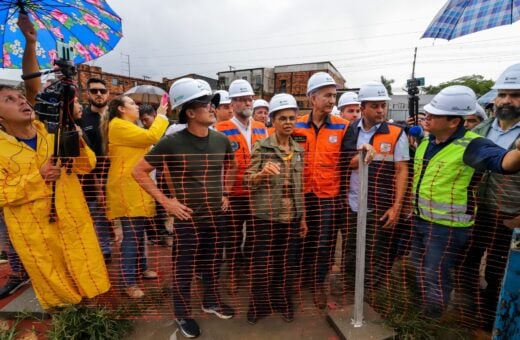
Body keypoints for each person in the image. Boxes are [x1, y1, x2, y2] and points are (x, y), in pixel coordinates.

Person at [132, 78, 237, 338]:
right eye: (207, 104)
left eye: (213, 104)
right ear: (190, 112)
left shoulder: (221, 140)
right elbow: (139, 171)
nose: (213, 108)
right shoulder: (172, 142)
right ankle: (181, 313)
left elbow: (232, 165)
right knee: (184, 270)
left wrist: (225, 192)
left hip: (216, 217)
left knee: (213, 264)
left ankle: (210, 302)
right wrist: (166, 201)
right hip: (187, 220)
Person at [410, 85, 520, 319]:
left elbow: (504, 162)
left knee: (435, 272)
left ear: (453, 122)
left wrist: (519, 151)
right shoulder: (430, 141)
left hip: (446, 228)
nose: (426, 118)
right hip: (421, 220)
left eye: (434, 115)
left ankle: (434, 317)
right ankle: (430, 309)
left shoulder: (472, 145)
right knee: (420, 266)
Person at [0, 82, 111, 309]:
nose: (22, 100)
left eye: (20, 96)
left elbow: (87, 165)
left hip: (72, 218)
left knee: (85, 269)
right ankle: (67, 319)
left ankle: (91, 313)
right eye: (9, 100)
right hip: (34, 229)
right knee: (54, 278)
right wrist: (38, 177)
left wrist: (75, 139)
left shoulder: (52, 133)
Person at [458, 63, 520, 330]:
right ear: (495, 98)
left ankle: (491, 323)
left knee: (498, 273)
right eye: (503, 94)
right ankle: (471, 310)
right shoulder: (479, 130)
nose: (507, 100)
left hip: (509, 216)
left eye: (516, 95)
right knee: (465, 262)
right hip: (476, 212)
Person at [340, 81, 409, 297]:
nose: (380, 110)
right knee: (351, 247)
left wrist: (397, 206)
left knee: (376, 249)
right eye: (375, 106)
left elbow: (402, 171)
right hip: (352, 203)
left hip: (380, 203)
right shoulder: (349, 130)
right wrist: (362, 155)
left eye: (383, 106)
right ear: (362, 108)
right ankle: (351, 286)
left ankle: (371, 291)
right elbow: (344, 163)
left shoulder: (396, 133)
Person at [244, 94, 307, 324]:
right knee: (262, 263)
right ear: (273, 120)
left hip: (291, 216)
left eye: (292, 118)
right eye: (283, 118)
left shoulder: (298, 150)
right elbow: (246, 180)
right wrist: (261, 174)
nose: (288, 122)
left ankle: (283, 302)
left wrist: (303, 219)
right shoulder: (262, 147)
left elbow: (300, 188)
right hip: (266, 216)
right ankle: (258, 305)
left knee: (286, 262)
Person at [292, 72, 349, 309]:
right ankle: (301, 277)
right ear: (312, 98)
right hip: (300, 194)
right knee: (299, 238)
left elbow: (350, 159)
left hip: (328, 195)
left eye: (334, 96)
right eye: (327, 95)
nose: (332, 100)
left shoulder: (344, 127)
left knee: (324, 241)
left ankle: (317, 283)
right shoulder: (295, 126)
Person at [104, 95, 169, 299]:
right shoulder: (118, 125)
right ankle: (127, 281)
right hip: (127, 188)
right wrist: (161, 116)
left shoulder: (128, 126)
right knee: (131, 236)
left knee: (138, 233)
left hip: (136, 187)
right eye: (132, 103)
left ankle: (141, 268)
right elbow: (152, 138)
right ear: (121, 109)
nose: (136, 106)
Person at [215, 79, 268, 293]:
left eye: (249, 99)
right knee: (233, 236)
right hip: (233, 194)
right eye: (241, 100)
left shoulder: (262, 128)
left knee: (255, 235)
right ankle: (233, 273)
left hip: (256, 193)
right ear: (232, 103)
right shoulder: (220, 129)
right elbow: (217, 166)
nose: (247, 103)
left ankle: (246, 266)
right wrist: (222, 194)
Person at [79, 78, 113, 262]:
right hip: (92, 176)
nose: (98, 94)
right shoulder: (81, 119)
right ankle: (105, 249)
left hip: (117, 173)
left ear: (108, 93)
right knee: (98, 214)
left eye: (102, 90)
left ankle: (131, 254)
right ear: (88, 94)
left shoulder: (117, 116)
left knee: (121, 213)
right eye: (94, 91)